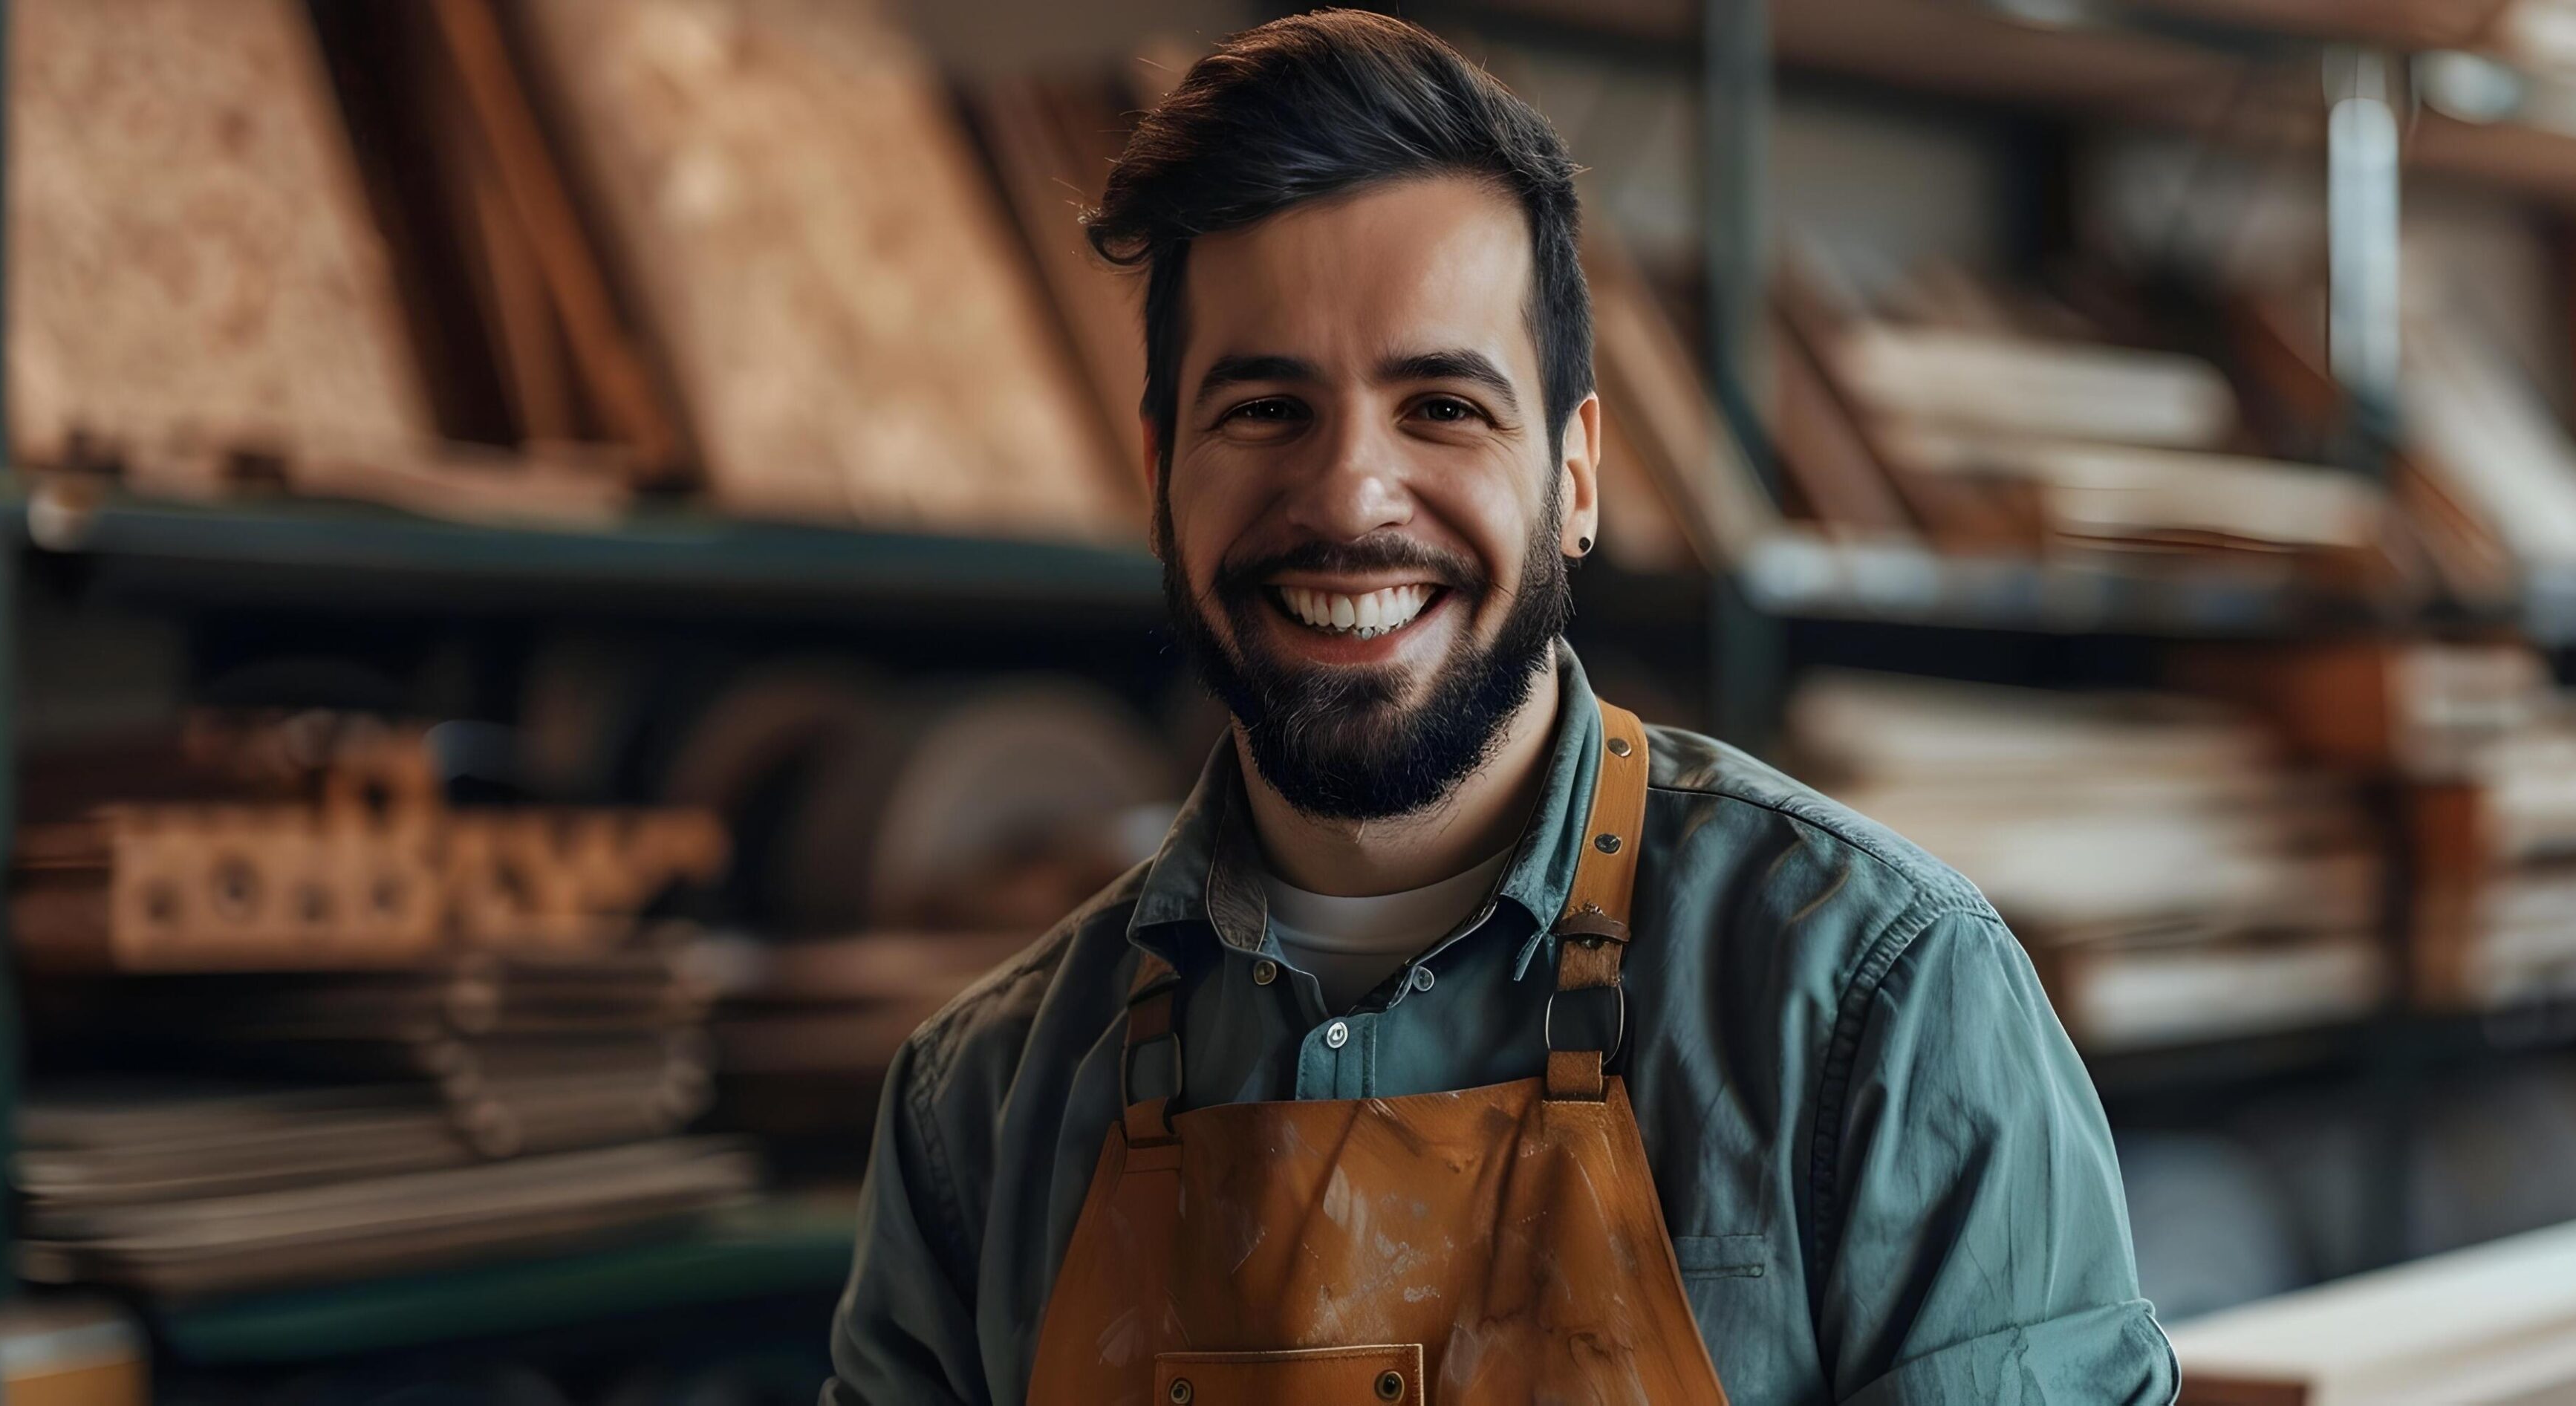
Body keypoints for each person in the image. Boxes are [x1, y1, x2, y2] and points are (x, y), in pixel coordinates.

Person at [824, 12, 2173, 1403]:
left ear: (1575, 475)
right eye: (1266, 410)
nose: (1350, 496)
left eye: (1443, 407)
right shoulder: (979, 1112)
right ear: (1162, 466)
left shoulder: (1877, 1014)